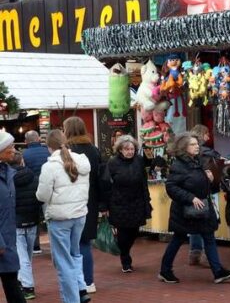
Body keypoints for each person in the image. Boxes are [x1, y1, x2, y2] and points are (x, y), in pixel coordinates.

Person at [158, 133, 230, 285]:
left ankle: (218, 272)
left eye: (196, 144)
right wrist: (190, 198)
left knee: (208, 237)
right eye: (193, 144)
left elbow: (207, 188)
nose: (197, 146)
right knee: (178, 239)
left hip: (202, 209)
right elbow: (171, 187)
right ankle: (165, 271)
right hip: (184, 211)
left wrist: (212, 180)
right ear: (184, 148)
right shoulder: (178, 165)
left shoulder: (199, 162)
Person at [35, 129, 92, 303]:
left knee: (63, 261)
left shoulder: (50, 166)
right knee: (75, 254)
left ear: (48, 146)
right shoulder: (82, 160)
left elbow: (42, 195)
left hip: (60, 218)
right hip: (79, 214)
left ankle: (72, 299)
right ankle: (81, 289)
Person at [63, 117, 106, 295]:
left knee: (69, 244)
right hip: (90, 200)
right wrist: (103, 204)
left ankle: (75, 281)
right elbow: (102, 179)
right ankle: (88, 281)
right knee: (84, 242)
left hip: (69, 201)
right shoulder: (94, 150)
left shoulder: (65, 152)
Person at [102, 136, 151, 273]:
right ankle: (125, 258)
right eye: (126, 149)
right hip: (119, 202)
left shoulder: (139, 161)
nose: (130, 152)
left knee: (135, 230)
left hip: (137, 201)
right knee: (123, 231)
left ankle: (125, 249)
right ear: (120, 150)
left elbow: (144, 178)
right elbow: (106, 184)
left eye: (132, 149)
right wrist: (104, 206)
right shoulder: (112, 163)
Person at [187, 125, 223, 266]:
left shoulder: (187, 153)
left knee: (195, 222)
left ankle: (194, 253)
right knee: (206, 225)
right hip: (204, 191)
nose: (209, 136)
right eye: (207, 134)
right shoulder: (208, 153)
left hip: (192, 191)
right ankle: (206, 256)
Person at [10, 149, 42, 300]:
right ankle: (24, 280)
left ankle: (28, 285)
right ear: (22, 161)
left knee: (22, 256)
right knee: (27, 256)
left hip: (16, 222)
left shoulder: (8, 180)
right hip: (32, 220)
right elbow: (39, 198)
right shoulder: (34, 178)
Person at [0, 131, 26, 303]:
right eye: (9, 146)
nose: (14, 149)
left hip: (8, 240)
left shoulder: (8, 173)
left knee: (12, 285)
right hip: (2, 243)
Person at [22, 130, 48, 255]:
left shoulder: (24, 154)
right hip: (48, 188)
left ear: (26, 141)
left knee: (35, 217)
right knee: (49, 216)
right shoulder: (47, 151)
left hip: (32, 190)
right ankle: (54, 244)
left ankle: (35, 245)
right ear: (38, 139)